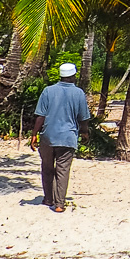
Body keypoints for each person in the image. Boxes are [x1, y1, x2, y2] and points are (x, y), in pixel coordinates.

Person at [30, 63, 90, 212]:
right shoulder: (79, 93)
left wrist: (33, 134)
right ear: (73, 76)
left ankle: (48, 198)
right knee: (62, 170)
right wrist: (85, 132)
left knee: (47, 168)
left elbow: (40, 116)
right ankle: (59, 204)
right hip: (68, 137)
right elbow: (83, 118)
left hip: (48, 136)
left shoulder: (48, 91)